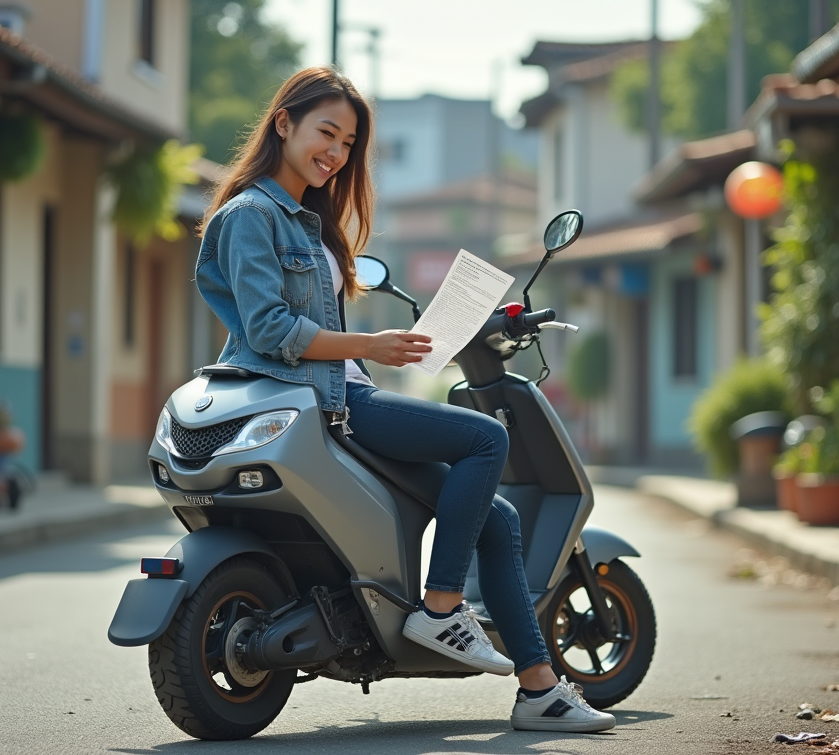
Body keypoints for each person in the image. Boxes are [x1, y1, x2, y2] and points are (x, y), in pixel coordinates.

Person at [194, 66, 614, 733]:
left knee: (499, 519)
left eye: (348, 143)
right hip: (318, 401)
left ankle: (539, 689)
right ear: (284, 124)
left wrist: (396, 345)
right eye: (324, 133)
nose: (335, 152)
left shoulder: (306, 218)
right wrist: (371, 346)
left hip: (333, 392)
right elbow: (270, 330)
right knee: (486, 439)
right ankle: (442, 606)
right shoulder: (252, 215)